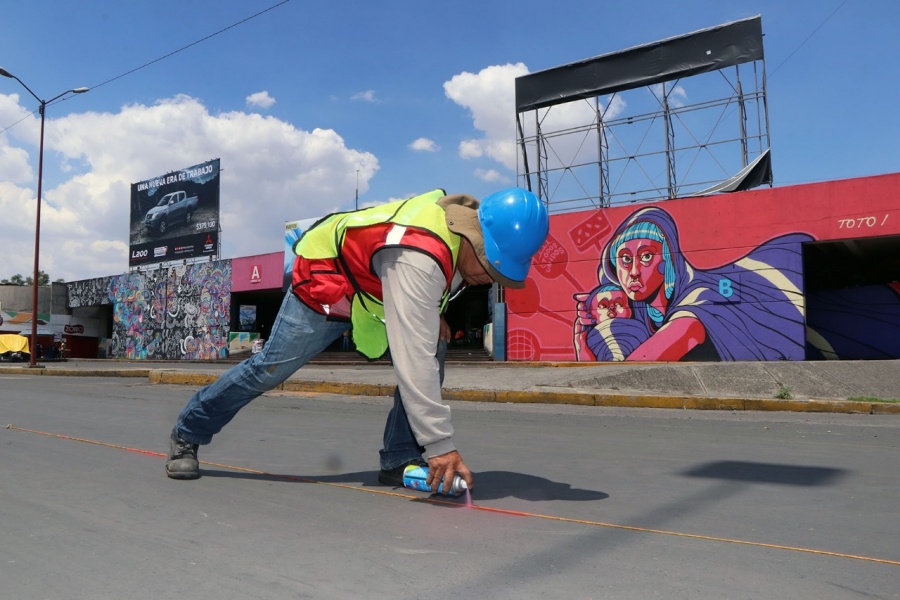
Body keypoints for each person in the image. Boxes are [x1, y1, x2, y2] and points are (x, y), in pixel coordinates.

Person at [165, 187, 549, 493]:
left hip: (373, 291)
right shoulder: (416, 255)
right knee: (268, 370)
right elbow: (411, 356)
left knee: (434, 346)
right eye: (489, 267)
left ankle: (399, 457)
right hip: (326, 283)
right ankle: (188, 431)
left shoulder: (463, 236)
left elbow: (425, 293)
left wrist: (433, 314)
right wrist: (440, 446)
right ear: (473, 236)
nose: (488, 279)